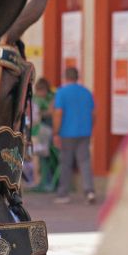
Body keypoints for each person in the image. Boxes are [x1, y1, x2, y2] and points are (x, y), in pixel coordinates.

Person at [52, 66, 96, 204]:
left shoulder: (61, 92)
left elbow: (58, 113)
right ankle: (89, 191)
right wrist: (89, 127)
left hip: (66, 133)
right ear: (78, 77)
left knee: (66, 163)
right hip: (84, 132)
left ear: (65, 77)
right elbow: (94, 114)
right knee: (85, 162)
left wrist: (56, 132)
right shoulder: (87, 92)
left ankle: (63, 194)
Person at [29, 77, 57, 191]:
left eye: (43, 90)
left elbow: (52, 111)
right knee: (40, 157)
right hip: (38, 131)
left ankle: (48, 182)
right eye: (39, 90)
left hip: (49, 130)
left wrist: (43, 113)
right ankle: (40, 181)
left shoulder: (52, 96)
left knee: (49, 157)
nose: (41, 93)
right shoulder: (35, 98)